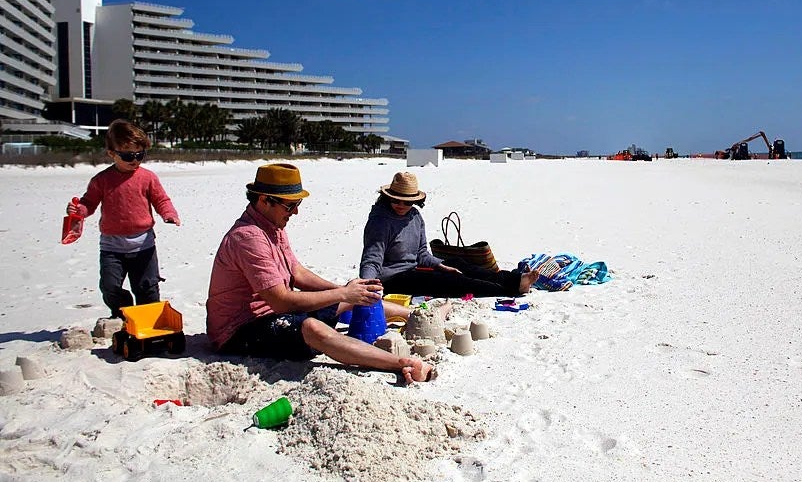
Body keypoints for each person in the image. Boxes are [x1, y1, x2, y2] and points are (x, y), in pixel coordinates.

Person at [206, 163, 435, 383]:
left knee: (355, 296)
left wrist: (344, 291)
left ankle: (416, 315)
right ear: (265, 200)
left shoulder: (272, 226)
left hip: (275, 314)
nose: (295, 212)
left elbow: (297, 272)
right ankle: (400, 363)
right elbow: (281, 302)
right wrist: (343, 294)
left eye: (297, 205)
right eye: (290, 205)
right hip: (239, 330)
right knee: (313, 327)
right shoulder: (248, 237)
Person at [359, 172, 540, 298]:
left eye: (406, 202)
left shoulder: (414, 217)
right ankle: (508, 291)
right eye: (395, 200)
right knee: (454, 281)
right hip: (392, 279)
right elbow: (372, 257)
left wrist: (440, 265)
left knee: (457, 265)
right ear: (387, 197)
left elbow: (422, 253)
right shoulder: (380, 221)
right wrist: (367, 285)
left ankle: (516, 280)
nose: (400, 205)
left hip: (414, 268)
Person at [66, 119, 180, 318]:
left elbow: (161, 199)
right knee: (109, 287)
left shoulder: (148, 177)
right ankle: (123, 312)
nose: (134, 159)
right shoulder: (101, 180)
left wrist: (169, 214)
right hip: (112, 247)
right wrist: (78, 210)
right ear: (112, 153)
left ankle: (148, 320)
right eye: (128, 155)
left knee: (148, 287)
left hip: (143, 245)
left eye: (140, 154)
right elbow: (89, 203)